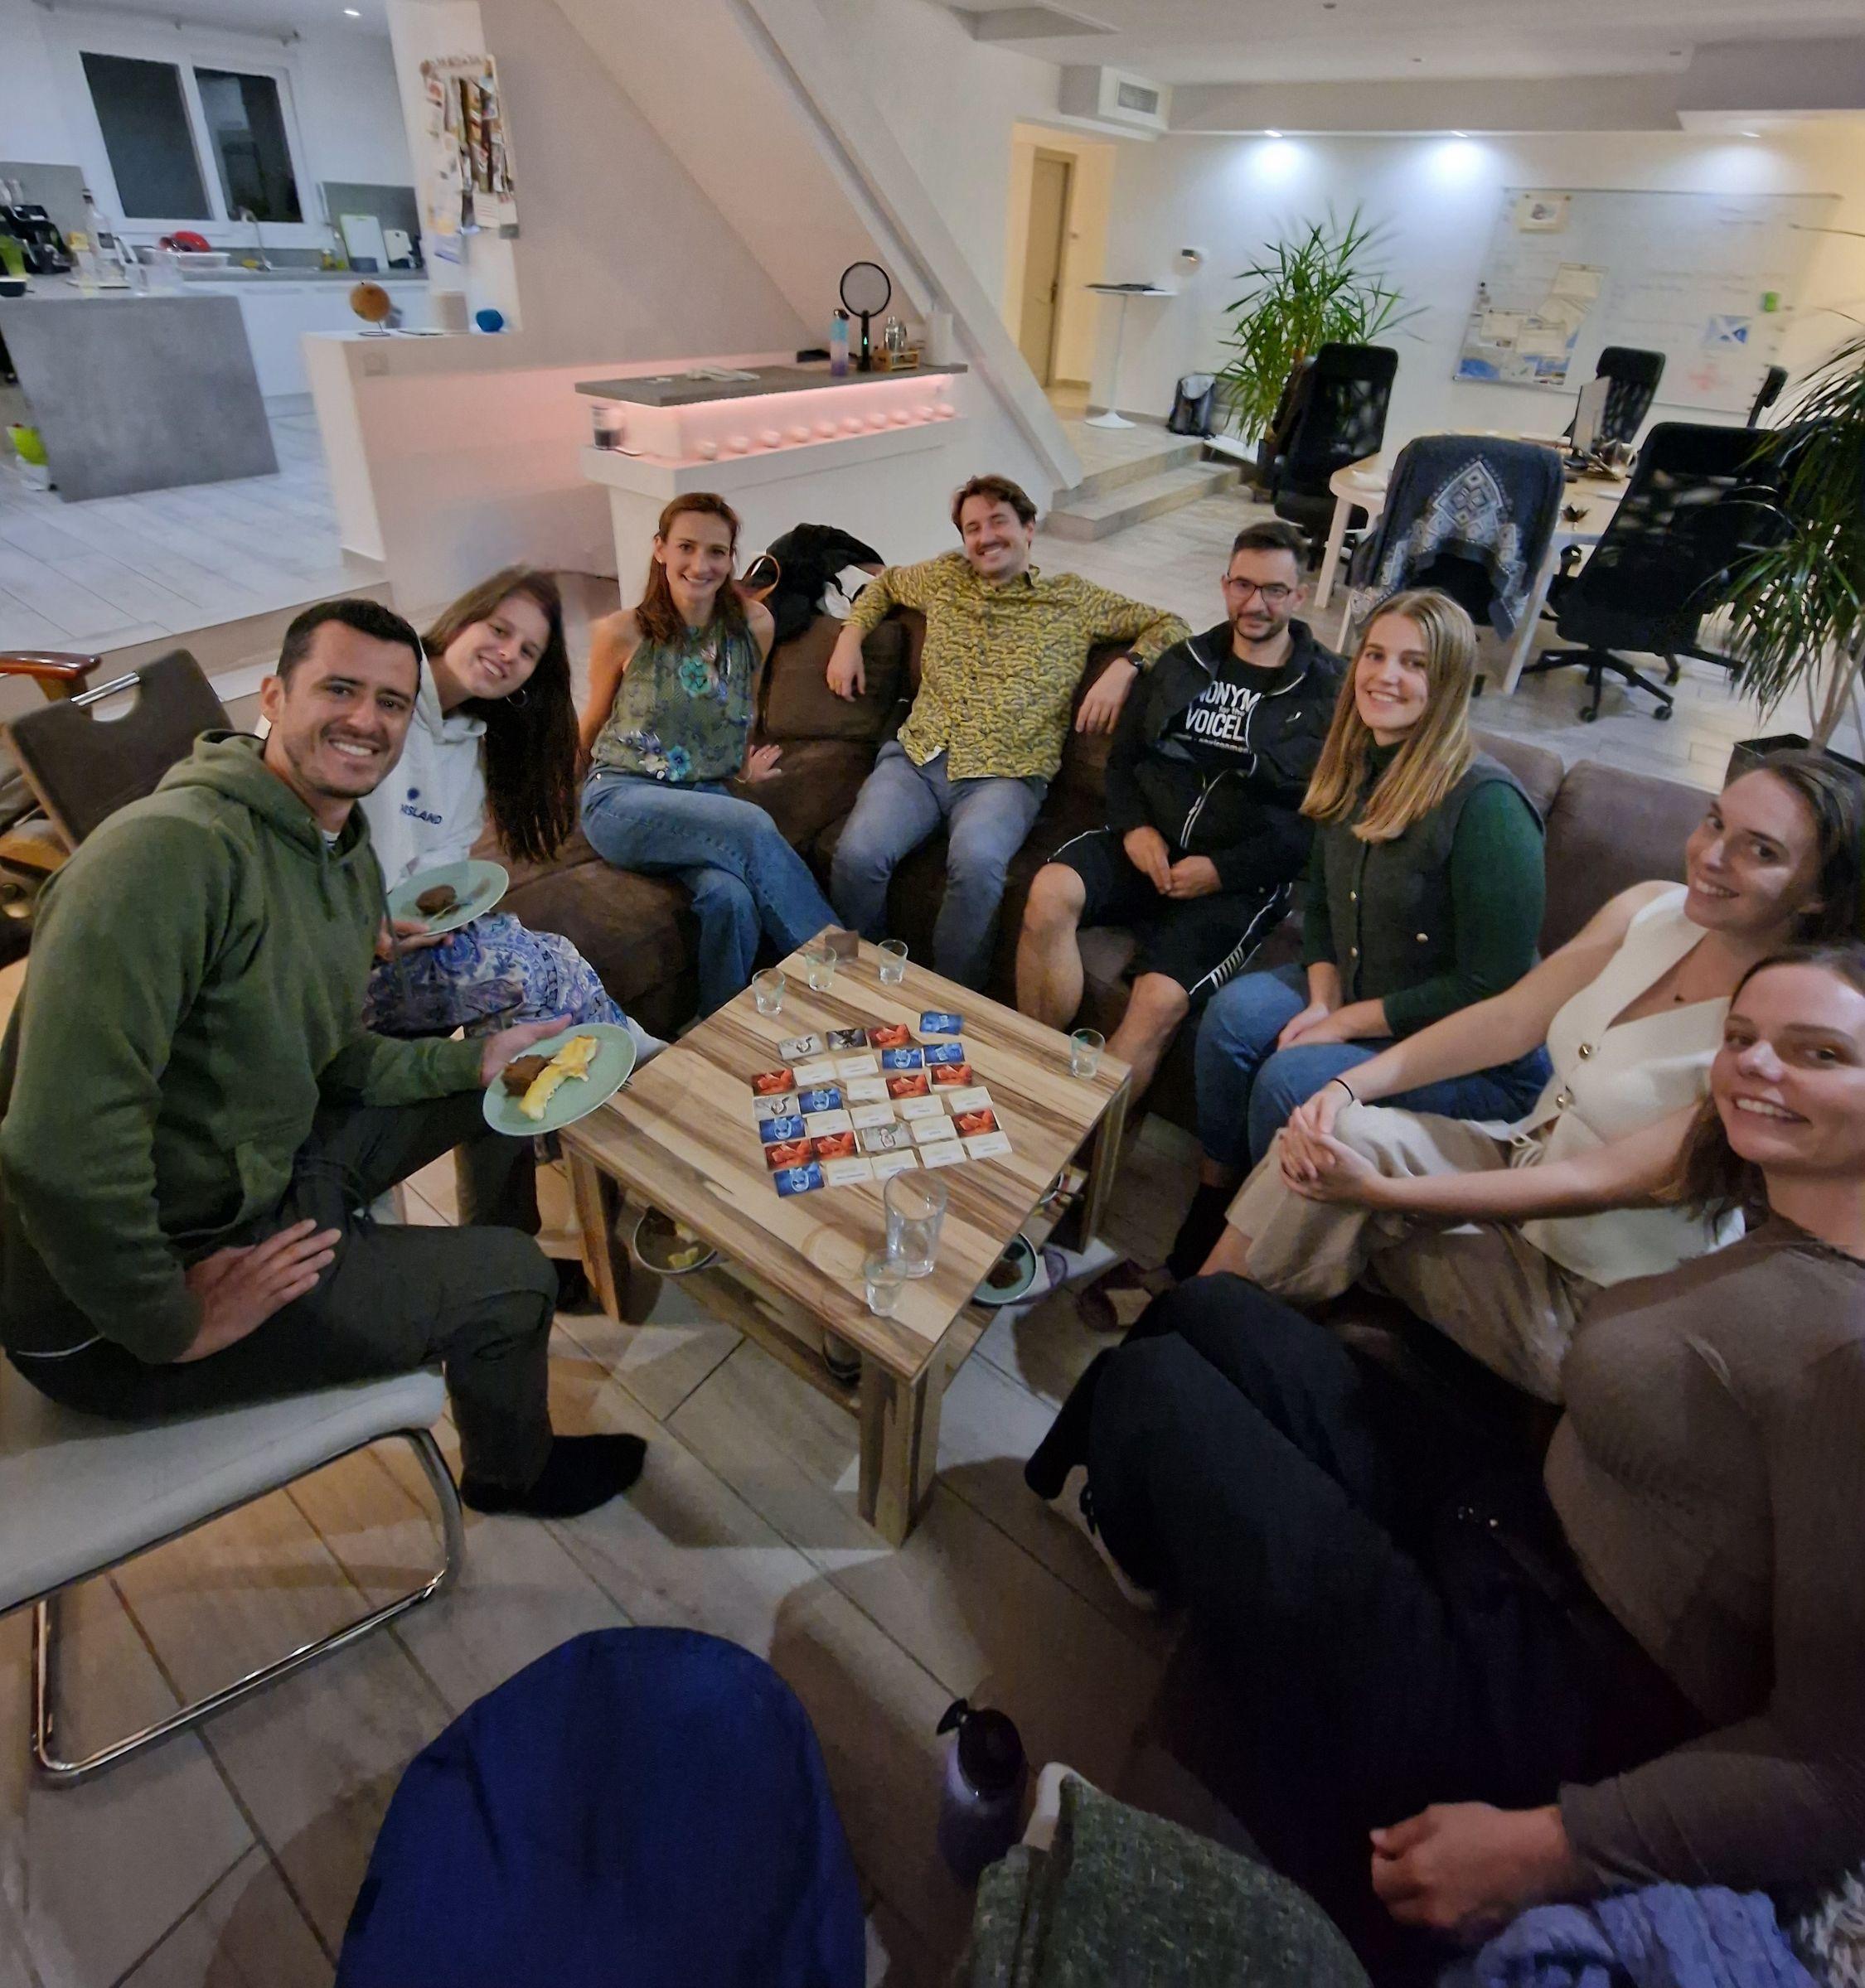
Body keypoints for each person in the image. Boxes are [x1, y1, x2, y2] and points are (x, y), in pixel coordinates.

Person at [1028, 941, 1865, 1974]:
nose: (1757, 1066)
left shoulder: (1851, 1350)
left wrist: (1549, 1847)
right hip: (1512, 1521)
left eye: (1817, 1051)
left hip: (1547, 1697)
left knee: (1158, 1393)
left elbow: (1835, 1772)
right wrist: (1368, 1177)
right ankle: (1126, 1501)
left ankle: (1138, 1518)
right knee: (1214, 1309)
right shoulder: (1767, 1198)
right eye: (1741, 1037)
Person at [0, 599, 646, 1520]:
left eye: (391, 701)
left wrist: (472, 1065)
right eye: (339, 688)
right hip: (113, 1308)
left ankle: (430, 1245)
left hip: (254, 1175)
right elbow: (55, 1151)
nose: (366, 719)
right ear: (270, 694)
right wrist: (172, 1322)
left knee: (505, 1087)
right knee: (512, 1276)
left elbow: (334, 1053)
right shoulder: (161, 859)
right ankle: (515, 1472)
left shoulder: (337, 850)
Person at [1208, 750, 1863, 1400]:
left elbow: (1592, 1182)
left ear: (1818, 893)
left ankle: (1198, 1347)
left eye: (1761, 851)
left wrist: (1380, 1192)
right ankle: (1198, 1331)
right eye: (1715, 822)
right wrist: (1350, 1084)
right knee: (1331, 1133)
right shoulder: (1652, 908)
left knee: (1329, 1193)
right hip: (1515, 1160)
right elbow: (1511, 1018)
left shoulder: (1777, 1039)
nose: (1712, 856)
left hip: (1586, 1289)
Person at [1165, 589, 1552, 1278]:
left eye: (1415, 663)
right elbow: (1321, 906)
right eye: (1375, 654)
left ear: (1451, 682)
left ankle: (1263, 1247)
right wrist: (1321, 1000)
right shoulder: (1352, 764)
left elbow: (1492, 989)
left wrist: (1345, 1024)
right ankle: (1216, 1199)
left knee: (1291, 1080)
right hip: (1361, 987)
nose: (1386, 675)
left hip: (1472, 1049)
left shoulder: (1489, 808)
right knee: (1230, 1018)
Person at [1015, 520, 1344, 1102]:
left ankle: (1073, 1134)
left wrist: (1223, 871)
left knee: (1157, 1001)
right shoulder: (1183, 661)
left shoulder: (1329, 695)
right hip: (1144, 847)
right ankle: (1035, 1077)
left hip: (1235, 883)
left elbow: (1318, 826)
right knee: (1048, 892)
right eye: (1243, 585)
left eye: (1273, 590)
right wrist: (1135, 827)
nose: (1255, 604)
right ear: (1223, 586)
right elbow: (1124, 759)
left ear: (1297, 596)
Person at [826, 474, 1189, 988]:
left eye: (998, 521)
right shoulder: (945, 577)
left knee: (976, 866)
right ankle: (864, 980)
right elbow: (884, 584)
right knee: (856, 855)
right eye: (972, 528)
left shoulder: (1073, 600)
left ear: (1029, 528)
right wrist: (849, 639)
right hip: (919, 758)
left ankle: (949, 1001)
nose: (985, 536)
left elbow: (1172, 625)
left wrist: (1125, 666)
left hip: (1007, 776)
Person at [363, 564, 662, 1058]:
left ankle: (608, 1068)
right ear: (462, 620)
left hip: (403, 936)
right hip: (331, 960)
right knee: (525, 969)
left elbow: (439, 870)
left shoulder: (465, 743)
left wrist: (435, 922)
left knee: (550, 959)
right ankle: (636, 1061)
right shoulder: (381, 689)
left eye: (528, 652)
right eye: (499, 630)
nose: (507, 654)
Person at [579, 496, 837, 1015]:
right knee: (753, 825)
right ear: (660, 550)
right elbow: (590, 726)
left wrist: (741, 764)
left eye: (716, 551)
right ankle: (846, 973)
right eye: (686, 547)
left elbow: (742, 705)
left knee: (730, 898)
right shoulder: (621, 631)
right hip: (622, 798)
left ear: (732, 558)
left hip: (702, 796)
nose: (701, 565)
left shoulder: (753, 627)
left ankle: (720, 1022)